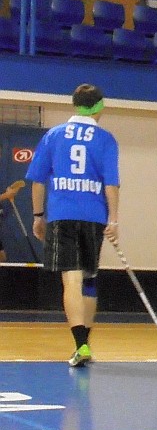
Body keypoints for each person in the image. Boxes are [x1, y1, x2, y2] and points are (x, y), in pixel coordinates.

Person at [27, 84, 120, 367]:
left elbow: (38, 181)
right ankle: (86, 344)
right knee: (89, 280)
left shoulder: (54, 135)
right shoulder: (105, 139)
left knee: (72, 281)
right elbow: (111, 184)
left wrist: (38, 215)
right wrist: (114, 220)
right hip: (93, 217)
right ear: (99, 106)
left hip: (62, 216)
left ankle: (81, 345)